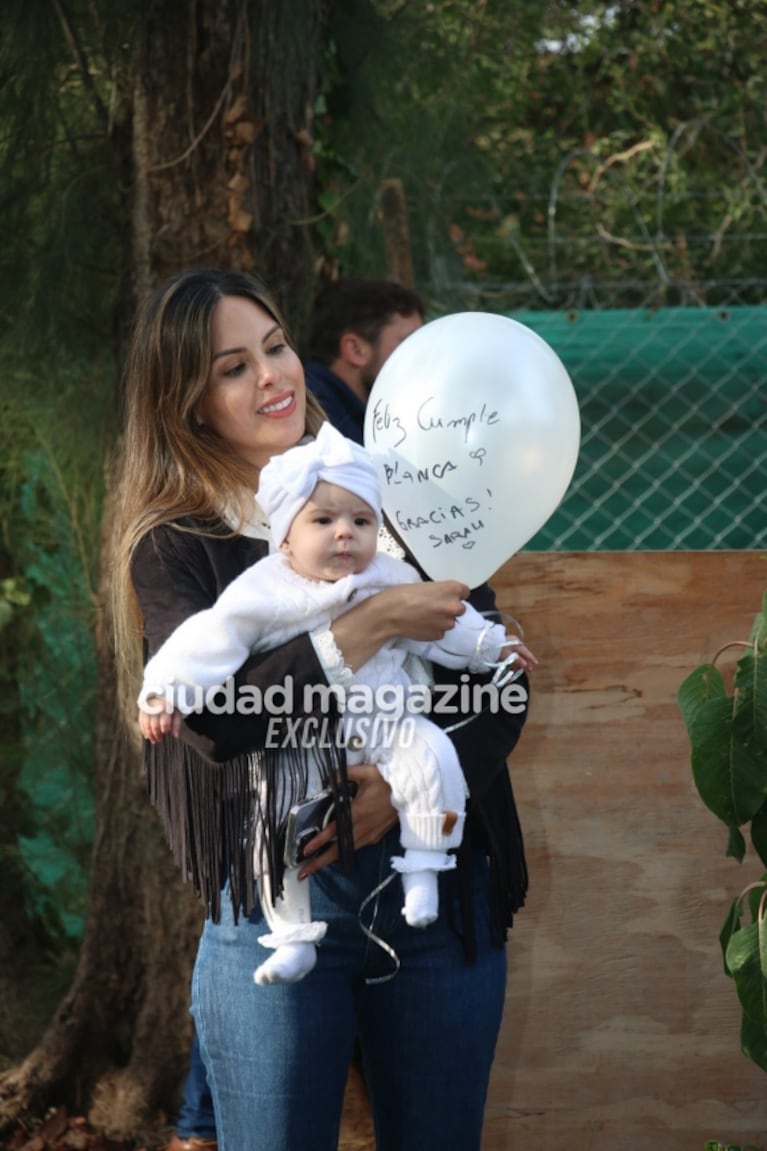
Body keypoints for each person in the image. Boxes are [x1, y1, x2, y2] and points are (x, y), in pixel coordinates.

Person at [112, 267, 531, 1151]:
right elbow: (217, 722)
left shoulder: (393, 494)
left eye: (273, 346)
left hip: (439, 885)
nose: (272, 376)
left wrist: (403, 788)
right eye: (231, 367)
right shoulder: (179, 544)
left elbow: (501, 686)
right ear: (186, 403)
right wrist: (368, 625)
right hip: (277, 905)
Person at [137, 423, 537, 985]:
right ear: (285, 535)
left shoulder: (391, 567)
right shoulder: (263, 586)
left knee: (431, 761)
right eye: (323, 521)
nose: (344, 534)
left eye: (360, 521)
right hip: (311, 749)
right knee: (278, 825)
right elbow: (210, 644)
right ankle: (292, 937)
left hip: (394, 727)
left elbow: (450, 625)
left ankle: (424, 867)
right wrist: (164, 690)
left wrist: (492, 645)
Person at [303, 278, 425, 444]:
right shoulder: (314, 415)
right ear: (355, 350)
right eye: (408, 342)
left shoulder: (363, 411)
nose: (421, 356)